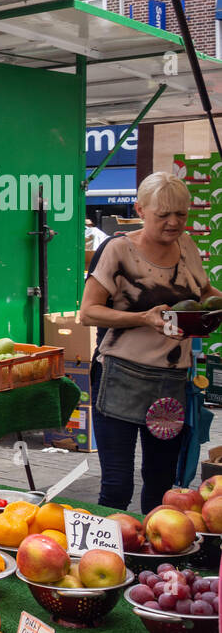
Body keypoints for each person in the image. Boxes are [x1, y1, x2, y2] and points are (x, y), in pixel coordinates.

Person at [80, 172, 220, 512]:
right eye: (163, 215)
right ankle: (109, 555)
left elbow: (203, 293)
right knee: (117, 484)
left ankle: (153, 558)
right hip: (120, 378)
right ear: (140, 210)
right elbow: (88, 312)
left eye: (181, 215)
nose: (174, 223)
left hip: (170, 381)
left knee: (161, 482)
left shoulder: (186, 246)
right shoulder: (118, 250)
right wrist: (142, 318)